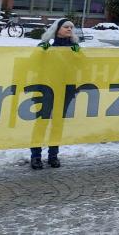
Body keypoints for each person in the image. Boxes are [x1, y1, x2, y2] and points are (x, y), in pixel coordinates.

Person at [30, 19, 80, 169]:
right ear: (57, 29)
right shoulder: (47, 45)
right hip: (46, 88)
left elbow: (81, 66)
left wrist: (78, 55)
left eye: (71, 27)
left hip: (66, 89)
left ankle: (53, 155)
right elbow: (33, 61)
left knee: (58, 122)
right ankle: (36, 156)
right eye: (66, 27)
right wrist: (42, 50)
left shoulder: (74, 47)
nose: (69, 29)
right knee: (42, 122)